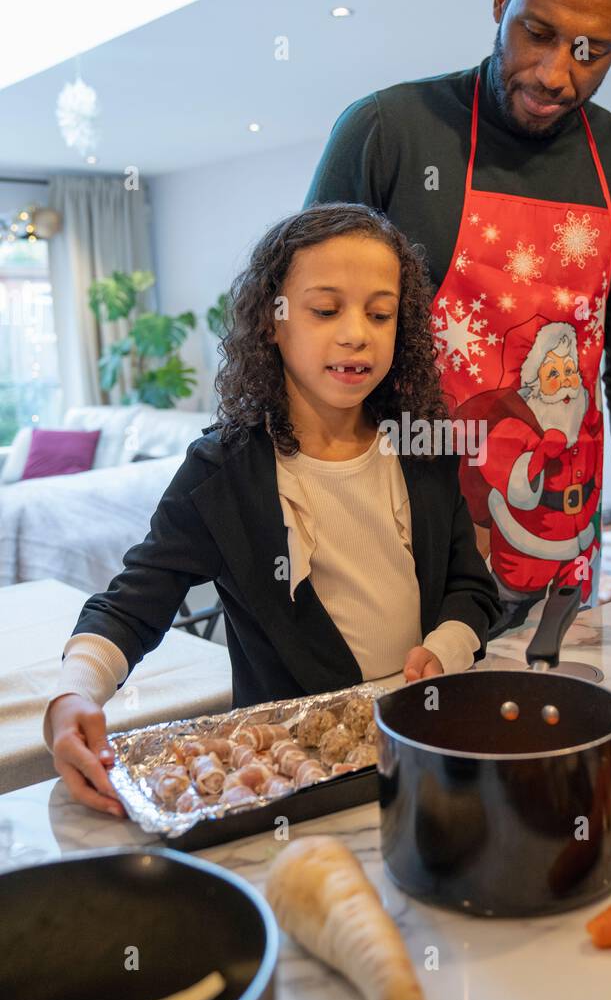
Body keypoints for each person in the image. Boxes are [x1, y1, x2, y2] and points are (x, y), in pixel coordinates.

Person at [305, 0, 611, 632]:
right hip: (390, 548)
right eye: (537, 32)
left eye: (593, 50)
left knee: (537, 732)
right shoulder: (389, 134)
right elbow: (304, 343)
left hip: (553, 553)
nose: (555, 73)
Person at [44, 204, 501, 816]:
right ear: (272, 323)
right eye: (325, 309)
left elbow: (472, 588)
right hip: (298, 783)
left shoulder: (420, 447)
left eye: (380, 313)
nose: (356, 332)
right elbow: (129, 607)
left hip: (424, 746)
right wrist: (73, 695)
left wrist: (448, 643)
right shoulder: (224, 474)